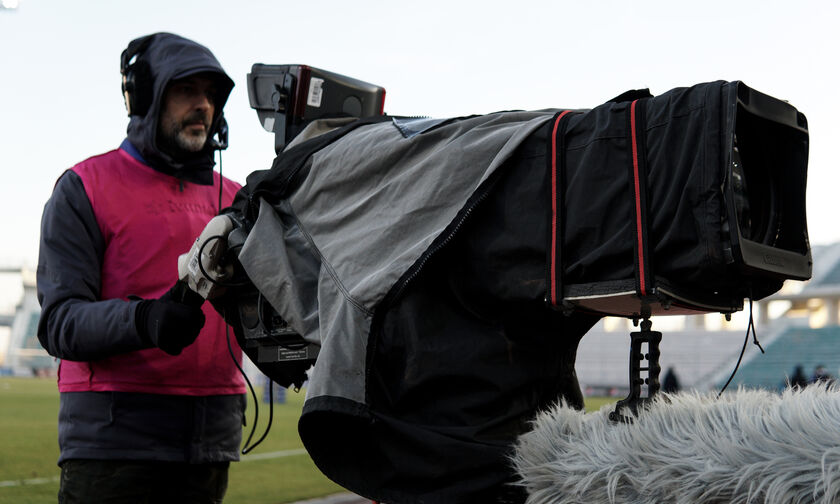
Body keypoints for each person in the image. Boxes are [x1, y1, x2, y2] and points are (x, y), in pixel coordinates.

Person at [37, 32, 245, 503]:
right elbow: (59, 322)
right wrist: (145, 320)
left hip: (211, 441)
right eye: (186, 90)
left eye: (210, 94)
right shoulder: (83, 187)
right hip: (114, 444)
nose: (203, 106)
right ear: (146, 96)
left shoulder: (236, 199)